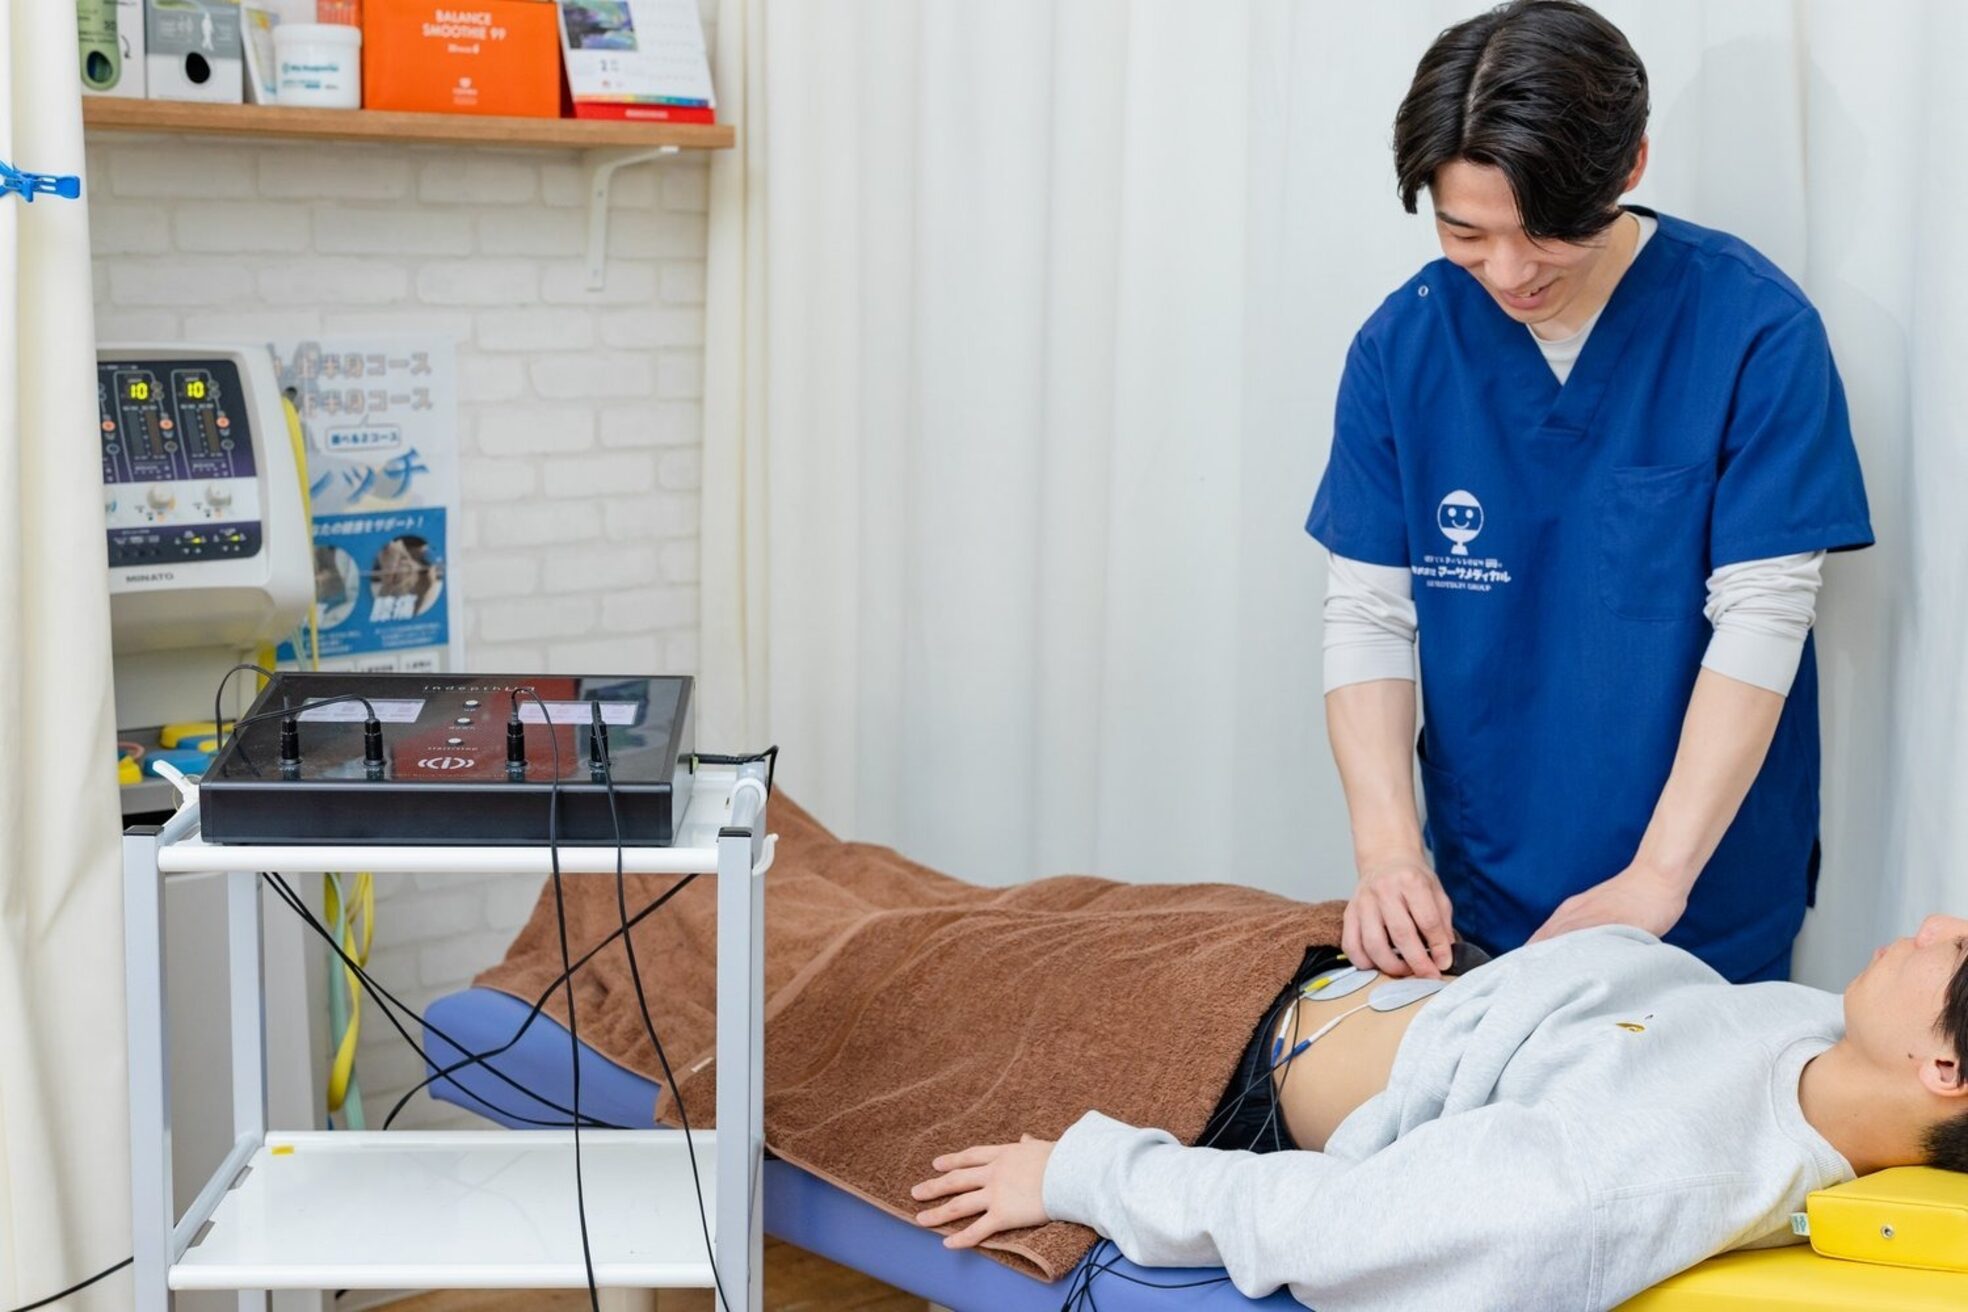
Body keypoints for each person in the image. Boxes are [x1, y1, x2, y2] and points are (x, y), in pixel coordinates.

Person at [1308, 0, 1873, 986]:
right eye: (1464, 232)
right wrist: (1389, 853)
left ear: (1630, 167)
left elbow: (1765, 612)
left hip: (1700, 894)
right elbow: (1368, 612)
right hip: (1481, 892)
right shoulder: (1403, 347)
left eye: (1543, 231)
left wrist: (1657, 879)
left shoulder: (1754, 330)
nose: (1509, 271)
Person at [911, 915, 1968, 1311]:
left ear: (1944, 1069)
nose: (1934, 924)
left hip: (1226, 1052)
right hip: (1327, 954)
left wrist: (1083, 1175)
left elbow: (1335, 1227)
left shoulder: (1619, 1187)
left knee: (899, 961)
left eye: (1955, 949)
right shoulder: (1817, 1029)